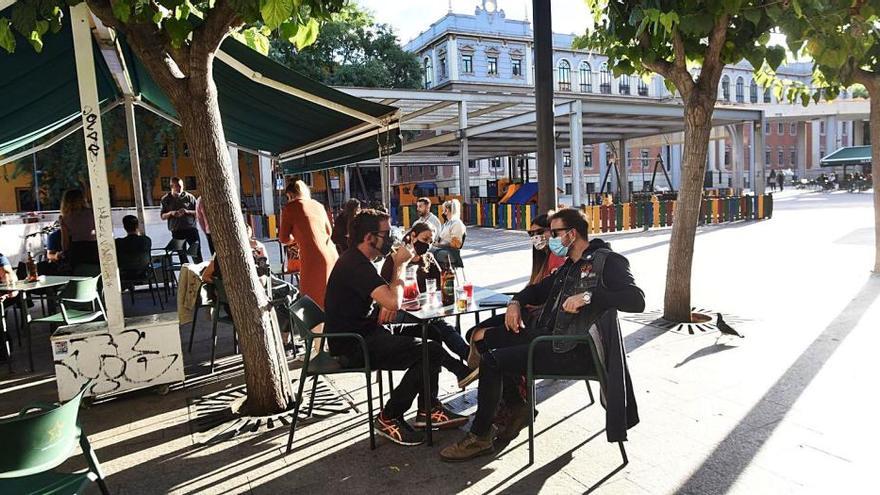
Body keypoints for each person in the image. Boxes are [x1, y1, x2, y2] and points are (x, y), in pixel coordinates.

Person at [440, 208, 645, 461]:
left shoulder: (608, 261)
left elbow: (637, 300)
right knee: (490, 339)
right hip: (550, 337)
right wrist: (515, 303)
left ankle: (479, 437)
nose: (551, 239)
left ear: (571, 233)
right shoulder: (570, 266)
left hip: (575, 350)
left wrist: (589, 297)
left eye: (555, 233)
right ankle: (516, 407)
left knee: (494, 361)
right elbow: (536, 292)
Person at [324, 209, 468, 446]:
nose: (391, 238)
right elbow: (393, 301)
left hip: (370, 332)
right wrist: (400, 264)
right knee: (428, 351)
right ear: (370, 237)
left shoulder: (360, 261)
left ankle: (428, 409)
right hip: (352, 345)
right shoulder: (355, 264)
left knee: (429, 331)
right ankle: (389, 416)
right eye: (386, 233)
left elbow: (386, 299)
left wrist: (388, 298)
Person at [379, 223, 471, 371]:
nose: (427, 244)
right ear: (413, 236)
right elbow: (383, 286)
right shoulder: (396, 258)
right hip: (400, 313)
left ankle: (468, 360)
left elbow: (442, 285)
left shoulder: (428, 258)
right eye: (425, 238)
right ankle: (466, 361)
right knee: (438, 327)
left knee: (440, 326)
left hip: (426, 310)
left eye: (430, 241)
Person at [278, 180, 338, 310]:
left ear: (290, 195)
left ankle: (319, 329)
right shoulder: (318, 205)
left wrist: (297, 239)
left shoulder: (290, 208)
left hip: (313, 257)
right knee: (331, 296)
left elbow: (283, 238)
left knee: (311, 301)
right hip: (331, 253)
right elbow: (329, 231)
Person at [160, 177, 202, 264]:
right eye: (177, 186)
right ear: (171, 186)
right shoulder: (165, 199)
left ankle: (200, 274)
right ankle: (186, 275)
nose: (179, 188)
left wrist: (187, 212)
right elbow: (162, 216)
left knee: (196, 254)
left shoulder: (190, 197)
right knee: (182, 256)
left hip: (191, 230)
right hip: (177, 231)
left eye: (181, 186)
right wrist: (171, 213)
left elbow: (198, 213)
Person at [60, 189, 98, 267]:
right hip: (93, 247)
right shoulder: (91, 213)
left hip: (76, 248)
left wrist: (65, 253)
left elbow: (65, 241)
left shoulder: (64, 218)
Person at [115, 215, 152, 280]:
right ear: (137, 226)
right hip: (143, 272)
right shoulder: (146, 240)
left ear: (124, 227)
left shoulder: (118, 242)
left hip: (125, 273)